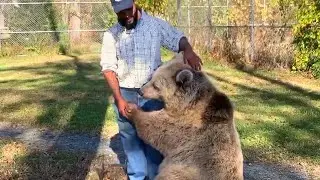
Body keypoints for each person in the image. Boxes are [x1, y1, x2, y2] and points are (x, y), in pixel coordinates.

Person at [100, 0, 202, 179]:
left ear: (134, 3)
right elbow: (108, 68)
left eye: (127, 10)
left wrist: (188, 50)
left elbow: (178, 39)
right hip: (126, 93)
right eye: (120, 13)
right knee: (132, 143)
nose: (125, 16)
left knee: (155, 143)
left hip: (152, 94)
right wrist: (119, 99)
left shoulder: (155, 25)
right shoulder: (111, 34)